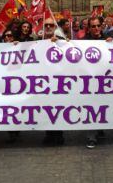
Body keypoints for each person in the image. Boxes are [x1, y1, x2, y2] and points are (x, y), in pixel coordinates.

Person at [41, 17, 65, 146]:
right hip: (43, 82)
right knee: (47, 109)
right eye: (46, 25)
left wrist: (58, 43)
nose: (49, 27)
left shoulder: (62, 41)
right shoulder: (37, 41)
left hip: (59, 81)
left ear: (55, 27)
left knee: (58, 107)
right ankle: (49, 134)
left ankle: (59, 134)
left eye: (51, 25)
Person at [85, 17, 107, 149]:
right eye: (93, 26)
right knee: (91, 108)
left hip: (105, 81)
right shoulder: (82, 42)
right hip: (89, 82)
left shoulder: (109, 40)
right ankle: (91, 137)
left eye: (98, 25)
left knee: (102, 106)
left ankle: (100, 128)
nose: (96, 28)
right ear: (89, 28)